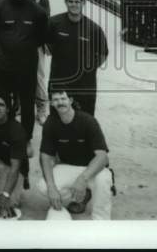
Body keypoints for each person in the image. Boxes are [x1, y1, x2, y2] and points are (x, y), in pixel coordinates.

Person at [0, 0, 48, 149]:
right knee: (0, 101)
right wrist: (1, 51)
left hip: (27, 67)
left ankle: (26, 137)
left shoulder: (37, 11)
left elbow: (41, 38)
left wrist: (24, 49)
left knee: (27, 103)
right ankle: (0, 134)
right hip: (3, 66)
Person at [38, 89, 114, 220]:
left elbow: (102, 157)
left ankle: (101, 222)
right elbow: (45, 156)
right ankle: (71, 201)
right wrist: (51, 187)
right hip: (68, 167)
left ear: (70, 100)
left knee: (104, 180)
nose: (60, 102)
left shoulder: (88, 121)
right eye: (56, 100)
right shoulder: (50, 123)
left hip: (92, 169)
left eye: (63, 98)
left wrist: (82, 179)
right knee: (43, 186)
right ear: (51, 103)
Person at [46, 0, 109, 116]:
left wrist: (89, 68)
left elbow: (103, 54)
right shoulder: (54, 23)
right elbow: (47, 45)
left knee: (84, 117)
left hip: (84, 82)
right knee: (57, 115)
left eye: (77, 1)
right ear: (65, 2)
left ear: (83, 3)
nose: (74, 4)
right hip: (59, 78)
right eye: (71, 1)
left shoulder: (94, 28)